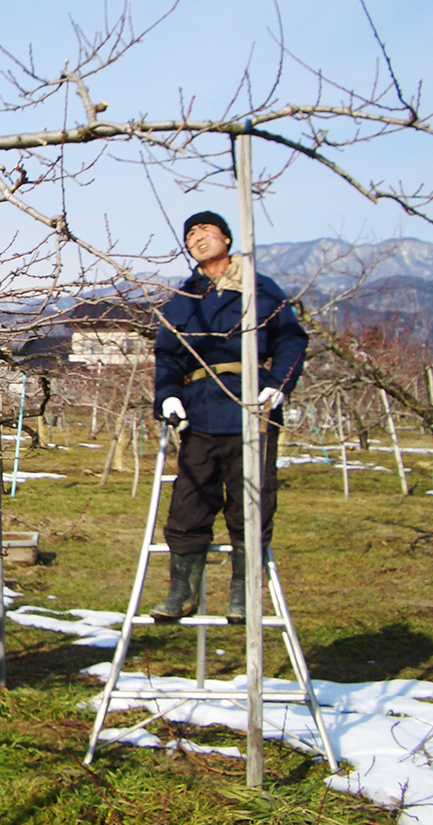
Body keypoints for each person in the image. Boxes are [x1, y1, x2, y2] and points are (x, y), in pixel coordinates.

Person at [151, 211, 308, 623]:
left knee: (250, 507)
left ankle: (243, 593)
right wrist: (168, 396)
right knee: (187, 506)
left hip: (250, 411)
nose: (197, 238)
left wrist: (278, 384)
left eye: (206, 230)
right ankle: (181, 591)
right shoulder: (185, 298)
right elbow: (167, 354)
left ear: (226, 237)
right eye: (190, 234)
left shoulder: (259, 289)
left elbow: (292, 339)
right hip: (199, 411)